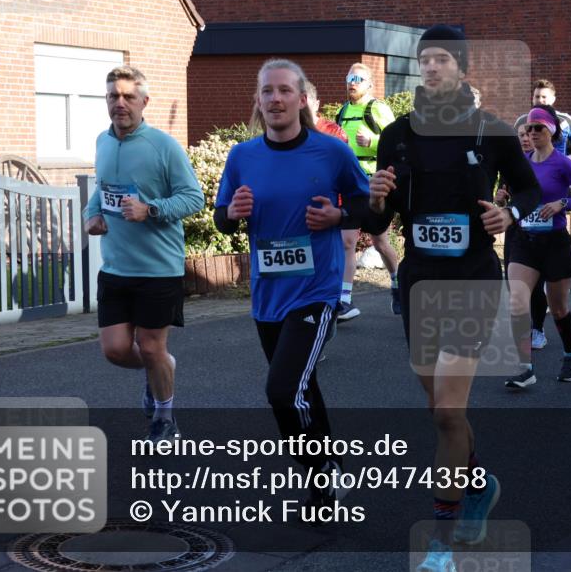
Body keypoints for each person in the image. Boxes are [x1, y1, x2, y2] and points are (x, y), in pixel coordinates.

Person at [364, 25, 540, 572]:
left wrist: (510, 213)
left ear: (462, 69)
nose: (432, 67)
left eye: (442, 58)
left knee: (446, 410)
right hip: (419, 280)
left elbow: (531, 187)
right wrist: (375, 201)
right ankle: (479, 483)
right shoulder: (397, 135)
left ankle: (440, 542)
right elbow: (379, 221)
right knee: (439, 409)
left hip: (473, 280)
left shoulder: (492, 131)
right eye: (426, 59)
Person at [214, 59, 371, 508]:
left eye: (284, 90)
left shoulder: (331, 152)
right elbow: (221, 217)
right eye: (267, 91)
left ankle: (320, 469)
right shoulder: (242, 156)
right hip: (268, 295)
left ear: (301, 99)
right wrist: (232, 213)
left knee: (282, 391)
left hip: (315, 291)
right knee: (303, 386)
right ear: (258, 100)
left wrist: (339, 216)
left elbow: (368, 208)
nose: (276, 99)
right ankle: (327, 474)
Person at [83, 66, 204, 442]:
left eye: (128, 97)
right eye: (113, 96)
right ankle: (161, 368)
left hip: (158, 269)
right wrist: (91, 215)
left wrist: (150, 209)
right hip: (116, 266)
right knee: (116, 350)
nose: (119, 103)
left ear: (144, 102)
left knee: (151, 346)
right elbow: (102, 187)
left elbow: (193, 198)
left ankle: (165, 420)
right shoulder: (103, 142)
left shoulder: (164, 146)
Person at [503, 106, 571, 389]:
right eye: (529, 128)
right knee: (517, 302)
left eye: (538, 128)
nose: (532, 133)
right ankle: (525, 368)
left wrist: (562, 203)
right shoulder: (521, 162)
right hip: (524, 241)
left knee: (558, 309)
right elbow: (513, 194)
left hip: (554, 243)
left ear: (551, 131)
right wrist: (505, 198)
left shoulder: (563, 163)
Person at [335, 63, 400, 320]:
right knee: (347, 242)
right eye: (349, 77)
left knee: (380, 242)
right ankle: (344, 300)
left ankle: (397, 284)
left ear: (370, 84)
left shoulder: (377, 108)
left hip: (374, 187)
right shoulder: (342, 111)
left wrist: (372, 141)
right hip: (350, 186)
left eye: (358, 78)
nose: (353, 82)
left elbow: (397, 143)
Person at [497, 124, 550, 351]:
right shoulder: (509, 165)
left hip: (541, 228)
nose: (526, 138)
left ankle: (537, 328)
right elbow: (502, 196)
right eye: (521, 135)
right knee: (514, 283)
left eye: (529, 134)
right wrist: (500, 198)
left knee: (536, 286)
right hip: (516, 229)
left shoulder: (545, 162)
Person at [514, 79, 571, 159]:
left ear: (553, 99)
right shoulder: (522, 120)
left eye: (544, 97)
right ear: (533, 98)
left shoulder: (565, 120)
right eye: (537, 97)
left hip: (558, 165)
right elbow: (511, 145)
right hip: (530, 165)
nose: (540, 100)